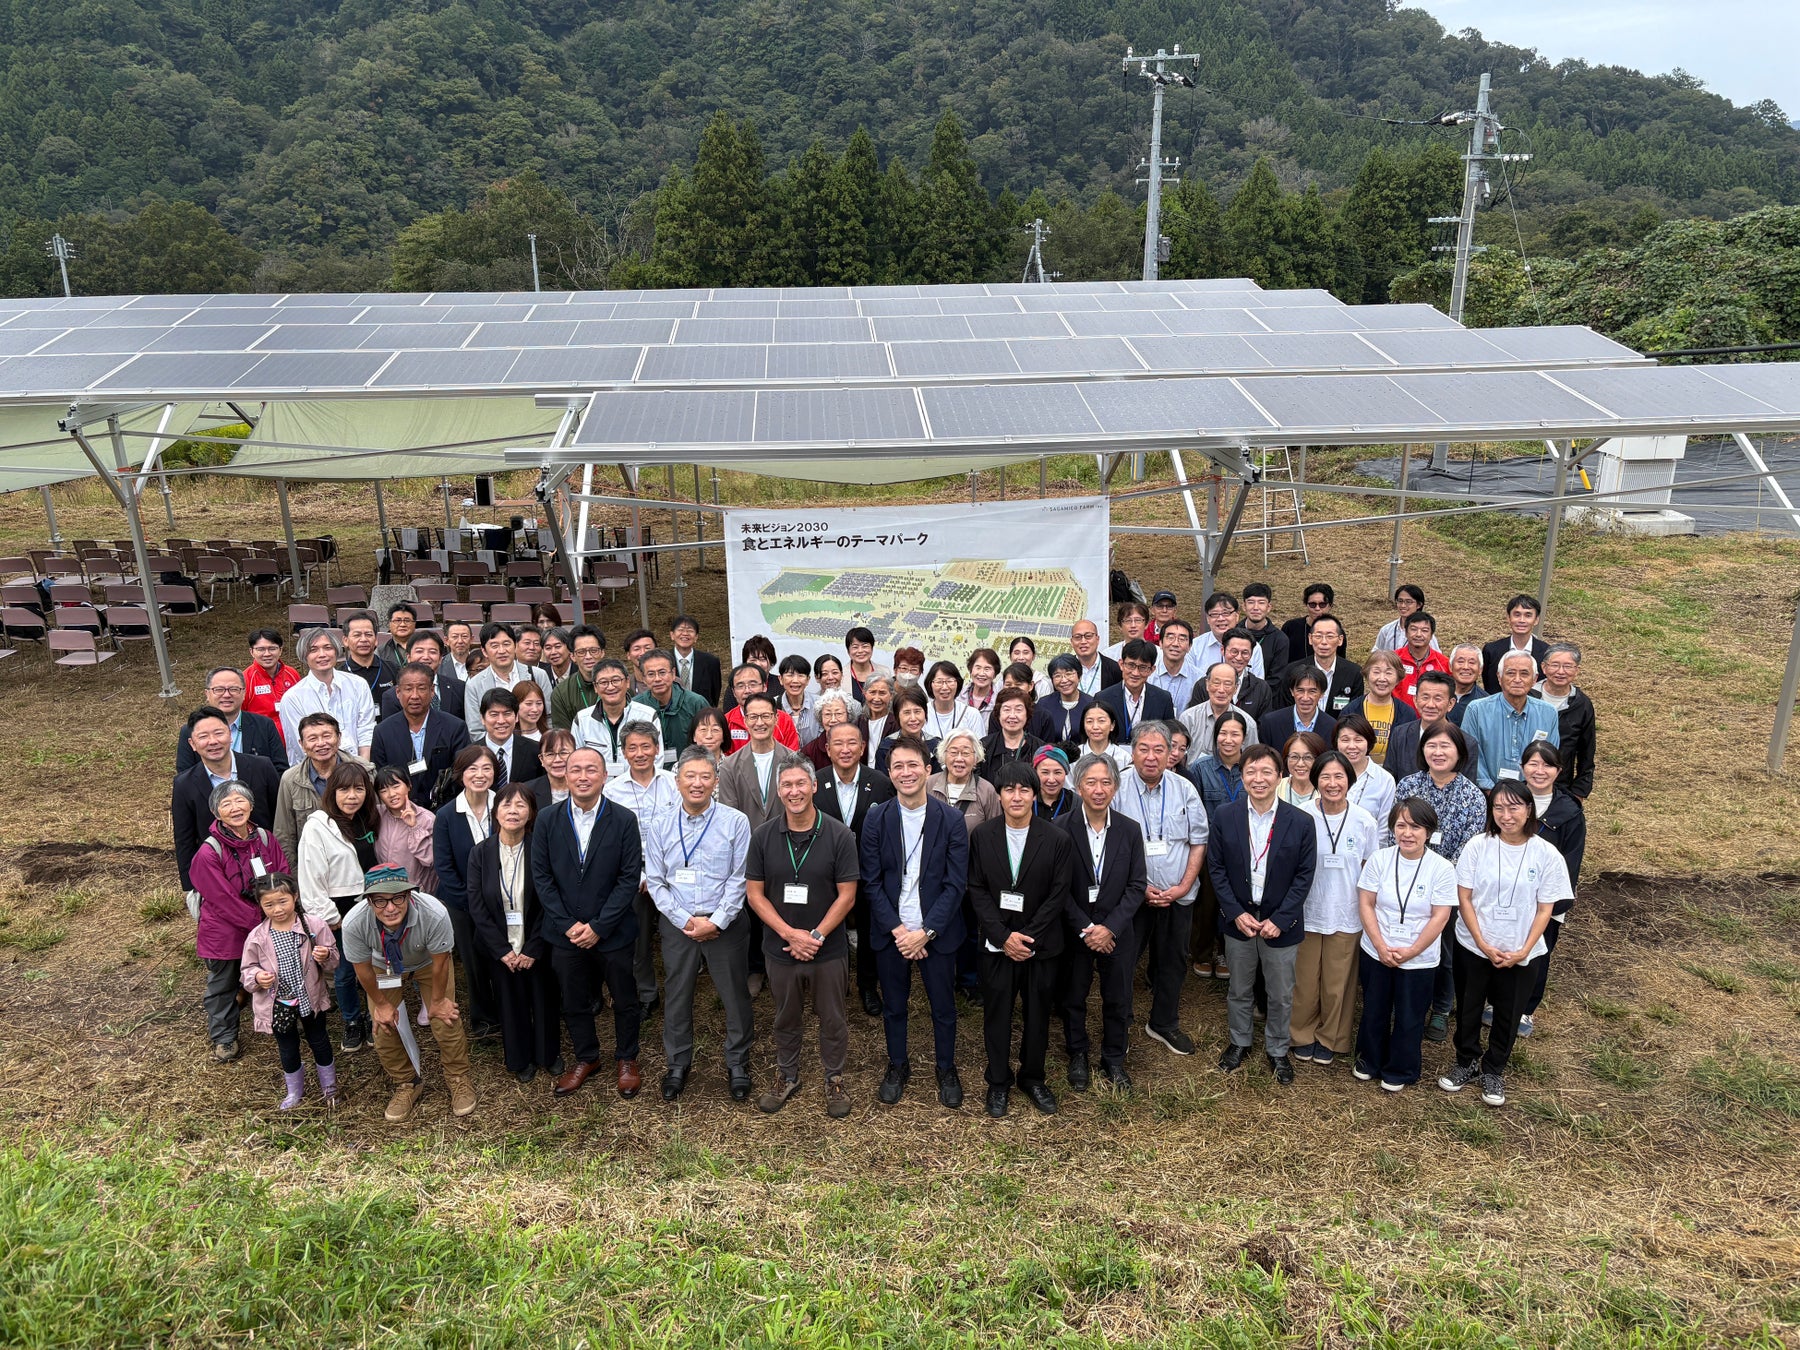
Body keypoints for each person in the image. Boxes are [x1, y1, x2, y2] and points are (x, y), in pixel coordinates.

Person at [1441, 781, 1572, 1108]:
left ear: (1529, 810)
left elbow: (1546, 908)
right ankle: (1466, 1060)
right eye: (1498, 807)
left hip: (1521, 950)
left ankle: (1494, 1068)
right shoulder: (1477, 846)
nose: (1506, 815)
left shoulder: (1546, 854)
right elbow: (1464, 898)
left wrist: (1526, 949)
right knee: (1469, 1007)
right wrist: (1483, 943)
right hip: (1474, 945)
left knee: (1508, 1013)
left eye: (1514, 807)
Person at [861, 734, 971, 1109]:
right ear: (889, 774)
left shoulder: (952, 819)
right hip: (892, 932)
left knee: (943, 1007)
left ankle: (946, 1067)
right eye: (897, 767)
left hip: (936, 932)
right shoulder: (876, 817)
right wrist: (899, 931)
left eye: (912, 765)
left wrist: (925, 933)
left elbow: (956, 885)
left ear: (928, 769)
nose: (905, 773)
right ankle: (897, 1064)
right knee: (894, 1005)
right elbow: (871, 881)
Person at [744, 758, 860, 1116]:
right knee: (785, 1015)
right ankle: (787, 1074)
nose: (794, 792)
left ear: (813, 787)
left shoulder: (839, 834)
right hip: (780, 948)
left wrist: (815, 936)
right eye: (786, 786)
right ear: (779, 792)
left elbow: (847, 895)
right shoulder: (763, 836)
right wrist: (790, 934)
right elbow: (754, 894)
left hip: (827, 949)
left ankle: (834, 1077)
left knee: (833, 1017)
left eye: (800, 784)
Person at [534, 747, 645, 1100]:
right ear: (565, 776)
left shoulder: (624, 819)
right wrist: (568, 924)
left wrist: (598, 926)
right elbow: (542, 877)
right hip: (565, 933)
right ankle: (586, 1057)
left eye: (591, 770)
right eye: (576, 770)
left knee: (625, 998)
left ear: (604, 776)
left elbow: (629, 879)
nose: (583, 776)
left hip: (612, 932)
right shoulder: (547, 819)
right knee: (573, 999)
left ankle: (627, 1058)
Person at [964, 759, 1073, 1117]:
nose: (1016, 796)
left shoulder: (1056, 838)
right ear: (999, 794)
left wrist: (1026, 937)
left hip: (1040, 947)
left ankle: (1032, 1077)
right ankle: (998, 1081)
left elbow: (1059, 894)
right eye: (1009, 789)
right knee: (996, 1014)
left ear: (1035, 794)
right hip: (997, 946)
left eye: (1024, 789)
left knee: (1038, 1014)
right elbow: (976, 888)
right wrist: (1002, 935)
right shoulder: (983, 835)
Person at [1209, 743, 1316, 1084]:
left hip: (1280, 924)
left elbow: (1304, 876)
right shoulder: (1225, 815)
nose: (1259, 779)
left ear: (1280, 776)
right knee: (1239, 988)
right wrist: (1234, 912)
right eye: (1251, 772)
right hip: (1238, 919)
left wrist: (1281, 920)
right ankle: (1239, 1042)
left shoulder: (1300, 821)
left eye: (1267, 771)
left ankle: (1278, 1050)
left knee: (1281, 993)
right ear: (1242, 777)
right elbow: (1217, 868)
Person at [344, 865, 476, 1122]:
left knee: (445, 1018)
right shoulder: (354, 923)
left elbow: (441, 963)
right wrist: (381, 1005)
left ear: (410, 895)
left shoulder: (434, 913)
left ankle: (458, 1077)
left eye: (397, 897)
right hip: (384, 966)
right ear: (368, 900)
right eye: (380, 900)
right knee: (382, 1025)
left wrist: (437, 1002)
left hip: (427, 963)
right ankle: (406, 1082)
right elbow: (363, 972)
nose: (390, 908)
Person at [1113, 722, 1208, 1055]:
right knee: (1122, 962)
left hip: (1176, 895)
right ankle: (1119, 1024)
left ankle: (1164, 1023)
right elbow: (1109, 846)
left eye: (1159, 750)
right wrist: (1139, 889)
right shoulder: (1116, 787)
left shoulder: (1185, 789)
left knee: (1173, 961)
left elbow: (1198, 841)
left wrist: (1183, 886)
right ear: (1132, 751)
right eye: (1143, 749)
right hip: (1131, 897)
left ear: (1171, 754)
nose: (1151, 757)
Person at [1393, 718, 1490, 1042]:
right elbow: (1396, 832)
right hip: (1404, 877)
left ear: (1459, 752)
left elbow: (1470, 845)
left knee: (1444, 950)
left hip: (1447, 884)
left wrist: (1437, 877)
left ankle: (1440, 1009)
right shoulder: (1408, 786)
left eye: (1445, 746)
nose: (1437, 751)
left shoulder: (1473, 796)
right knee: (1406, 939)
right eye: (1431, 745)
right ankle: (1406, 1004)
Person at [1354, 797, 1458, 1091]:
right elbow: (1366, 903)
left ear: (1429, 831)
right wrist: (1380, 945)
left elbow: (1440, 917)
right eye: (1401, 825)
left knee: (1410, 1015)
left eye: (1415, 826)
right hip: (1377, 950)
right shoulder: (1379, 859)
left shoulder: (1441, 868)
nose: (1407, 833)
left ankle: (1401, 1068)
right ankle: (1368, 1060)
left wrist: (1411, 951)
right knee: (1374, 1008)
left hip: (1419, 957)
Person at [1059, 752, 1147, 1092]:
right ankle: (1077, 1053)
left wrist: (1109, 928)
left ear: (1115, 787)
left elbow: (1137, 884)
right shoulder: (1060, 829)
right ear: (1078, 786)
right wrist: (1086, 928)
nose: (1099, 789)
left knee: (1118, 997)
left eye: (1106, 782)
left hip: (1117, 931)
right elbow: (1058, 889)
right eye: (1091, 782)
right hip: (1076, 931)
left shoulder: (1129, 830)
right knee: (1074, 996)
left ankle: (1113, 1059)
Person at [463, 783, 560, 1084]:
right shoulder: (480, 853)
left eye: (520, 805)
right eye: (506, 805)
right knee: (508, 1000)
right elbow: (476, 906)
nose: (513, 811)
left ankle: (548, 1054)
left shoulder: (542, 849)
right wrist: (502, 950)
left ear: (531, 813)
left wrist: (533, 947)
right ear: (495, 812)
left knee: (544, 999)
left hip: (537, 942)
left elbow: (551, 901)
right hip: (498, 947)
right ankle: (519, 1058)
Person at [1290, 750, 1380, 1067]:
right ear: (1316, 780)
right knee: (1304, 980)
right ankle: (1301, 1034)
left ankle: (1331, 1037)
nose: (1332, 783)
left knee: (1337, 983)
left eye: (1339, 776)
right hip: (1307, 912)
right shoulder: (1300, 816)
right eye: (1325, 776)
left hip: (1347, 912)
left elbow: (1370, 867)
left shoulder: (1364, 821)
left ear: (1349, 781)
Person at [191, 781, 289, 1063]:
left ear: (251, 805)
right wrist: (260, 924)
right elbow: (222, 899)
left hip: (268, 920)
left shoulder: (265, 839)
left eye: (240, 801)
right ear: (216, 812)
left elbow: (282, 874)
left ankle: (282, 1018)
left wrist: (279, 911)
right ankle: (224, 1036)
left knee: (276, 971)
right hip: (225, 931)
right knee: (223, 984)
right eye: (226, 804)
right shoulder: (209, 852)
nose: (235, 808)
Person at [297, 759, 382, 1050]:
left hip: (372, 903)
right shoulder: (318, 827)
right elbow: (310, 878)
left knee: (373, 965)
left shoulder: (367, 819)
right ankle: (352, 1020)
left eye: (358, 789)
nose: (352, 796)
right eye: (344, 789)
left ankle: (374, 1017)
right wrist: (332, 918)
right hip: (340, 910)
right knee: (346, 970)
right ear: (332, 792)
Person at [816, 719, 896, 1017]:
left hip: (868, 873)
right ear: (827, 748)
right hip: (827, 874)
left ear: (863, 748)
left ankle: (867, 985)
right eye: (838, 743)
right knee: (829, 927)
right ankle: (832, 984)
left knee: (868, 929)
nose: (846, 749)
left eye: (853, 743)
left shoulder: (881, 783)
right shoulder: (816, 781)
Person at [239, 873, 339, 1108]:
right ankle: (294, 1092)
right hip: (278, 1003)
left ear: (295, 896)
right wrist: (257, 977)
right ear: (260, 905)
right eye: (269, 905)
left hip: (310, 997)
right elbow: (246, 970)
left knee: (319, 1040)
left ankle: (330, 1087)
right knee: (287, 1046)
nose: (277, 909)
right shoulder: (257, 937)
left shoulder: (314, 926)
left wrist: (325, 955)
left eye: (283, 901)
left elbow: (334, 959)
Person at [605, 719, 679, 1017]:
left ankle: (677, 991)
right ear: (623, 752)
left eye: (645, 746)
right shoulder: (612, 791)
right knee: (639, 941)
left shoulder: (673, 783)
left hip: (672, 872)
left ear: (657, 749)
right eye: (632, 747)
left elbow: (681, 831)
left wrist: (660, 875)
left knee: (676, 937)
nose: (639, 753)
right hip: (633, 875)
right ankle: (648, 992)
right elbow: (612, 844)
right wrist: (639, 876)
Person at [173, 706, 281, 899]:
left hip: (267, 865)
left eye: (218, 733)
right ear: (192, 743)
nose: (212, 742)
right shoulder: (185, 784)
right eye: (203, 736)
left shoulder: (262, 766)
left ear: (230, 735)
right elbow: (184, 839)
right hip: (219, 874)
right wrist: (192, 888)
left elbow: (279, 816)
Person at [431, 745, 502, 1038]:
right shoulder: (447, 815)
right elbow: (444, 866)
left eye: (486, 768)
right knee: (473, 963)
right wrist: (473, 903)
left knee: (504, 957)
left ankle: (510, 1012)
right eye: (472, 769)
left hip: (504, 900)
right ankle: (484, 1019)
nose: (480, 775)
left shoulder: (506, 805)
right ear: (461, 774)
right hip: (463, 905)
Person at [1517, 741, 1588, 1034]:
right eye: (1533, 764)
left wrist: (1553, 904)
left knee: (1537, 953)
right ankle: (1495, 1002)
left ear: (1558, 771)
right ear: (1523, 767)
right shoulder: (1510, 798)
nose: (1539, 771)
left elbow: (1571, 861)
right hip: (1508, 897)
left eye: (1547, 765)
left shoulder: (1569, 811)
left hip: (1546, 903)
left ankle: (1526, 1010)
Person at [930, 727, 1003, 1005]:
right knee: (941, 927)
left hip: (972, 876)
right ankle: (942, 978)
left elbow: (995, 835)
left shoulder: (986, 791)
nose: (959, 758)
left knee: (970, 929)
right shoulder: (929, 785)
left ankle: (970, 980)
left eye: (966, 752)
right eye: (954, 751)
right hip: (936, 875)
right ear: (943, 755)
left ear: (977, 758)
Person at [371, 662, 470, 806]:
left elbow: (461, 773)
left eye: (422, 688)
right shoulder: (383, 731)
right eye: (408, 689)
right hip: (400, 810)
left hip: (445, 808)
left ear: (432, 691)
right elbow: (382, 778)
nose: (415, 696)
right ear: (398, 692)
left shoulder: (455, 727)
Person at [1461, 650, 1561, 788]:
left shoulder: (1548, 713)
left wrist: (1526, 795)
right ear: (1499, 677)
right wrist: (1493, 792)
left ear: (1534, 679)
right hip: (1485, 796)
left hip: (1532, 795)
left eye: (1524, 674)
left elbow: (1550, 758)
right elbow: (1470, 755)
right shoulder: (1477, 710)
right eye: (1510, 673)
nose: (1517, 679)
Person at [279, 628, 376, 762]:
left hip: (358, 768)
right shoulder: (293, 698)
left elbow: (366, 730)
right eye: (313, 650)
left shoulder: (358, 685)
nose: (322, 654)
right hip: (315, 772)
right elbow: (300, 746)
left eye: (327, 647)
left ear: (336, 651)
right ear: (304, 656)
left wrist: (361, 768)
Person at [273, 712, 356, 865]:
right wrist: (295, 880)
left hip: (358, 860)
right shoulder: (290, 780)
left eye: (327, 736)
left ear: (339, 738)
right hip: (313, 865)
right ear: (302, 744)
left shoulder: (362, 770)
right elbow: (284, 835)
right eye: (312, 739)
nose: (321, 743)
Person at [175, 666, 287, 774]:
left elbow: (280, 770)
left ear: (243, 693)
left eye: (234, 689)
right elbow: (186, 775)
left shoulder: (264, 725)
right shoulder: (190, 730)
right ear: (207, 694)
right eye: (219, 690)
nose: (227, 695)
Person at [463, 622, 554, 740]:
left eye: (506, 644)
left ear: (515, 646)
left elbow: (550, 718)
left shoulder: (538, 675)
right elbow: (476, 731)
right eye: (494, 646)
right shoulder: (474, 685)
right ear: (484, 651)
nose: (502, 651)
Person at [1535, 643, 1595, 802]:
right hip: (1523, 782)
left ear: (1577, 670)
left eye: (1568, 666)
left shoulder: (1582, 705)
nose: (1561, 672)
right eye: (1555, 665)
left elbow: (1587, 752)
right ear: (1544, 667)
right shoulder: (1528, 696)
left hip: (1561, 786)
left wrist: (1579, 791)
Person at [631, 648, 712, 760]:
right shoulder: (635, 706)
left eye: (662, 672)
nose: (657, 679)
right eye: (651, 674)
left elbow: (710, 740)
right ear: (643, 679)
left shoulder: (696, 702)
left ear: (673, 674)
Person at [1340, 651, 1417, 763]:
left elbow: (1410, 753)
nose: (1382, 678)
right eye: (1376, 672)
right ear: (1367, 675)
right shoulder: (1351, 711)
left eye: (1388, 673)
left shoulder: (1407, 713)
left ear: (1398, 679)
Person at [1383, 671, 1460, 781]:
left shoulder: (1466, 742)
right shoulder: (1399, 734)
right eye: (1425, 697)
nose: (1430, 705)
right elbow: (1389, 778)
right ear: (1415, 700)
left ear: (1451, 704)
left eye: (1438, 699)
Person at [374, 764, 438, 893]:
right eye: (383, 790)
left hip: (416, 892)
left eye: (396, 786)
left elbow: (430, 859)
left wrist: (414, 828)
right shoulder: (377, 815)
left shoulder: (427, 818)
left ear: (409, 786)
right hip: (385, 889)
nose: (391, 794)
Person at [1097, 639, 1175, 745]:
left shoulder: (1163, 699)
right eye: (1131, 665)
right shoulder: (1103, 698)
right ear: (1121, 664)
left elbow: (1168, 737)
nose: (1135, 673)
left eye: (1143, 667)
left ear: (1152, 670)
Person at [378, 629, 466, 721]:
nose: (426, 657)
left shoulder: (459, 688)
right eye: (419, 651)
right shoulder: (392, 696)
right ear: (408, 657)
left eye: (432, 652)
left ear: (440, 659)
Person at [1181, 663, 1261, 763]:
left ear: (1235, 688)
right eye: (1216, 683)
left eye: (1227, 684)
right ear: (1207, 684)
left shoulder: (1247, 722)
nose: (1221, 690)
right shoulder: (1189, 718)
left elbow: (1251, 760)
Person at [571, 658, 639, 776]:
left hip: (637, 788)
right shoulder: (582, 720)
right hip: (596, 789)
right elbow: (576, 760)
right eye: (603, 682)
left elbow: (656, 759)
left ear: (627, 682)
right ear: (595, 687)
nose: (610, 687)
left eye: (616, 680)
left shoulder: (646, 715)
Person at [1335, 715, 1395, 835]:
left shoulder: (1384, 779)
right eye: (1345, 740)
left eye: (1358, 740)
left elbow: (1384, 830)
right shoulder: (1325, 774)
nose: (1352, 746)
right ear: (1336, 742)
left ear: (1368, 742)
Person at [1292, 615, 1362, 718]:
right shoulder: (1293, 670)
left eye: (1330, 636)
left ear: (1340, 640)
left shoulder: (1354, 673)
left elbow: (1354, 715)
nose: (1324, 642)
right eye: (1318, 636)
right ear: (1310, 639)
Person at [725, 662, 801, 754]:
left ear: (764, 687)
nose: (747, 690)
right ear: (733, 692)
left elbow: (792, 756)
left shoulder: (784, 720)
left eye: (753, 684)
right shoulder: (727, 721)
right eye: (740, 686)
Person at [473, 688, 542, 789]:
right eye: (494, 715)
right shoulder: (469, 755)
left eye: (507, 714)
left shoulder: (535, 751)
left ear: (516, 717)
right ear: (482, 718)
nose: (501, 721)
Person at [1481, 594, 1550, 693]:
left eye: (1528, 615)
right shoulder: (1491, 650)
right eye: (1517, 615)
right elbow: (1489, 685)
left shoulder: (1546, 652)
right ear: (1508, 618)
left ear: (1536, 620)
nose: (1522, 620)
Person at [1258, 665, 1335, 749]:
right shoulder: (1271, 723)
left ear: (1322, 694)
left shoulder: (1332, 727)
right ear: (1292, 691)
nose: (1305, 698)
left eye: (1312, 691)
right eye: (1300, 691)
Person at [1192, 593, 1266, 679]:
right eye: (1215, 614)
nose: (1221, 619)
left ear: (1237, 616)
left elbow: (1257, 684)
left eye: (1226, 613)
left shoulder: (1253, 647)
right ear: (1208, 619)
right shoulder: (1195, 646)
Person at [549, 624, 608, 732]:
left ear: (602, 652)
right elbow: (564, 736)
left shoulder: (618, 684)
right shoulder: (561, 693)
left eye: (594, 650)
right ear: (572, 656)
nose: (588, 657)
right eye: (581, 652)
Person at [340, 611, 396, 713]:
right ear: (345, 640)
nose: (363, 639)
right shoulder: (339, 676)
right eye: (357, 635)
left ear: (376, 640)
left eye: (368, 634)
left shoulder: (393, 669)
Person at [243, 628, 301, 722]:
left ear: (280, 650)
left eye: (272, 649)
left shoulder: (292, 674)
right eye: (260, 649)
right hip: (261, 734)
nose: (267, 654)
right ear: (252, 652)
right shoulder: (245, 679)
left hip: (292, 733)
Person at [1036, 654, 1096, 745]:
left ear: (1079, 676)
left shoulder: (1091, 704)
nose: (1064, 680)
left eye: (1069, 674)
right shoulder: (1044, 704)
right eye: (1057, 676)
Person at [1281, 583, 1344, 668]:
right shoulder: (1290, 627)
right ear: (1306, 605)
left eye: (1322, 604)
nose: (1317, 608)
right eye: (1312, 604)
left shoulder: (1336, 631)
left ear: (1330, 606)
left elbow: (1340, 662)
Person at [1394, 612, 1450, 708]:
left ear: (1431, 635)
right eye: (1413, 629)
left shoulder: (1443, 663)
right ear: (1406, 633)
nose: (1418, 634)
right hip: (1397, 718)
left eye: (1424, 630)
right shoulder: (1393, 659)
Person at [669, 615, 722, 706]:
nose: (685, 634)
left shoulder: (711, 662)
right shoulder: (663, 660)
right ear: (672, 635)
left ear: (696, 637)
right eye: (680, 630)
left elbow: (714, 694)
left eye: (690, 630)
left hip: (702, 714)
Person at [923, 660, 983, 742]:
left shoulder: (971, 714)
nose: (944, 687)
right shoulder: (922, 713)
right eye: (939, 682)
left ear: (958, 683)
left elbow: (980, 749)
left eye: (949, 681)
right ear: (930, 684)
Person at [1373, 584, 1440, 656]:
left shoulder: (1425, 634)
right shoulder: (1387, 629)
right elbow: (1376, 654)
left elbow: (1436, 657)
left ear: (1419, 605)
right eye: (1400, 601)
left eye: (1408, 602)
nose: (1403, 605)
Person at [1150, 618, 1201, 712]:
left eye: (1182, 639)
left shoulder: (1199, 679)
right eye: (1170, 638)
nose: (1175, 644)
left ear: (1189, 646)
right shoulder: (1148, 674)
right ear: (1160, 643)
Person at [1239, 583, 1290, 675]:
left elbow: (1277, 677)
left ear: (1269, 607)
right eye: (1251, 602)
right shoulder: (1232, 633)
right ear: (1244, 606)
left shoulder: (1279, 639)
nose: (1255, 608)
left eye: (1261, 603)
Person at [1222, 629, 1274, 721]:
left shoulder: (1261, 688)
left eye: (1245, 653)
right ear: (1223, 650)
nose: (1239, 657)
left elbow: (1263, 726)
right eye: (1234, 651)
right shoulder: (1205, 685)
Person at [801, 689, 853, 769]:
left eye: (838, 714)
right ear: (820, 717)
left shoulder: (857, 746)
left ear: (848, 715)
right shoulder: (809, 751)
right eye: (827, 714)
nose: (833, 720)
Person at [1069, 702, 1129, 770]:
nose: (1095, 727)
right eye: (1089, 721)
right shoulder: (1074, 757)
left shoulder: (1124, 758)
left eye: (1101, 721)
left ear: (1112, 725)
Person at [1278, 731, 1327, 809]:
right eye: (1294, 757)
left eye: (1308, 757)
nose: (1300, 764)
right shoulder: (1275, 787)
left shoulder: (1327, 790)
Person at [532, 728, 577, 811]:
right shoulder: (529, 791)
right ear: (542, 759)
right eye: (550, 754)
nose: (557, 760)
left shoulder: (586, 788)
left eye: (563, 753)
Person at [844, 626, 890, 702]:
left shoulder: (885, 672)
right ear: (848, 651)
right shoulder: (841, 675)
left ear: (872, 649)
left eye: (865, 646)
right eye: (855, 647)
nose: (860, 651)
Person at [860, 676, 895, 769]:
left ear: (891, 695)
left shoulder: (896, 723)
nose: (876, 698)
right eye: (872, 692)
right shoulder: (859, 722)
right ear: (865, 693)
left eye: (882, 693)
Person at [376, 604, 419, 679]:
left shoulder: (424, 647)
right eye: (397, 620)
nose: (402, 624)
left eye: (407, 620)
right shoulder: (380, 651)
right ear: (390, 624)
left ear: (414, 624)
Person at [1032, 745, 1074, 821]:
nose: (1051, 780)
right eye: (1045, 772)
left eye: (1057, 772)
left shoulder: (1076, 803)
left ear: (1066, 773)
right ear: (1035, 772)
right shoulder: (1026, 800)